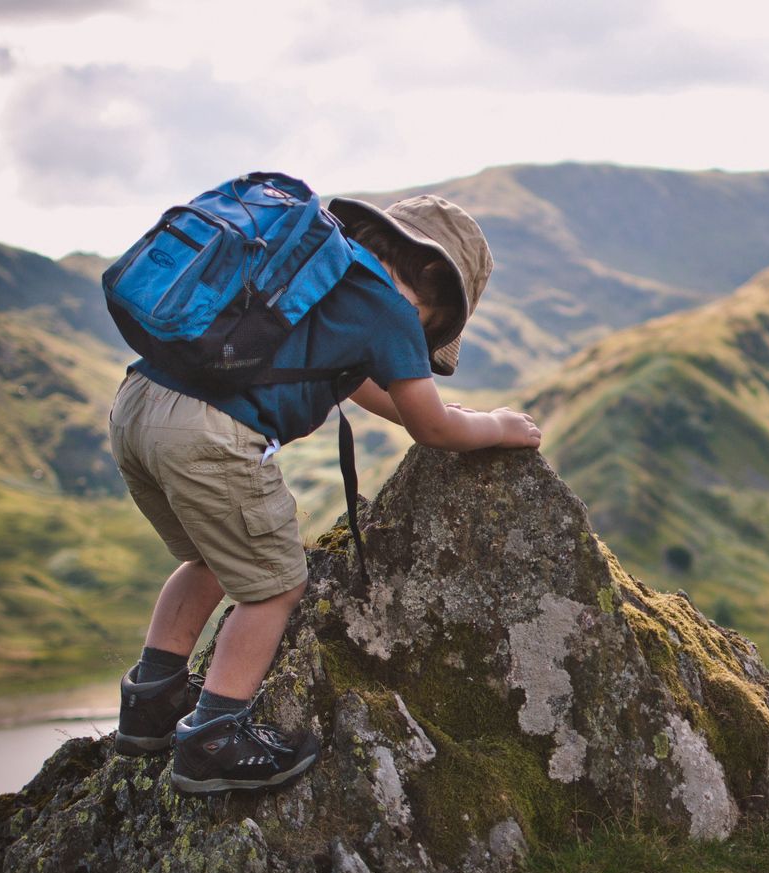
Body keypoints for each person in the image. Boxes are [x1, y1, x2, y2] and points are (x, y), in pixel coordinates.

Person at [106, 194, 541, 794]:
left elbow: (365, 386)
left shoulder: (320, 272)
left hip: (137, 407)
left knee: (206, 557)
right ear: (438, 293)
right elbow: (432, 428)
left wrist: (446, 409)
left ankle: (149, 702)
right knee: (276, 588)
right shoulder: (389, 311)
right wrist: (496, 425)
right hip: (209, 435)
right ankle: (212, 737)